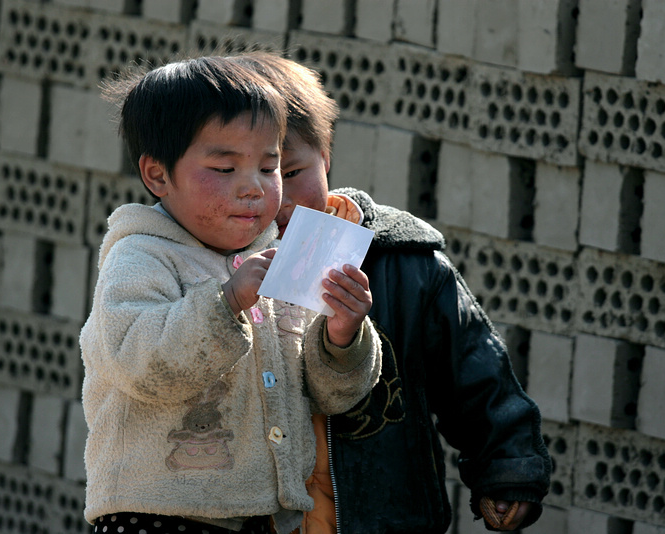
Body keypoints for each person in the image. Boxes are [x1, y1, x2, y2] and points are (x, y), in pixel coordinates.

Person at [231, 51, 552, 533]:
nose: (276, 196)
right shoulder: (209, 270)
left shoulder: (403, 263)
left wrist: (507, 471)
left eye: (290, 172)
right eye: (247, 176)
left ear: (327, 155)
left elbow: (476, 375)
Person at [79, 56, 383, 534]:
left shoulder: (282, 260)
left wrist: (342, 336)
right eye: (225, 167)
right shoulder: (141, 257)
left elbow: (330, 394)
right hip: (157, 515)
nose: (254, 189)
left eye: (269, 166)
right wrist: (224, 304)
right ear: (158, 175)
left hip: (264, 519)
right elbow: (140, 364)